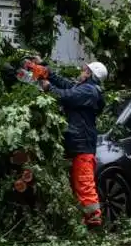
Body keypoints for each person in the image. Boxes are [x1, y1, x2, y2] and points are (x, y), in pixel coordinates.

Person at [38, 61, 109, 227]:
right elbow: (66, 85)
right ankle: (87, 220)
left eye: (85, 70)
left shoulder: (89, 91)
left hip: (83, 144)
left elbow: (66, 96)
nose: (81, 71)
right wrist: (47, 70)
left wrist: (49, 88)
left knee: (84, 182)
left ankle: (93, 219)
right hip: (78, 142)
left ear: (90, 74)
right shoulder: (83, 87)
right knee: (78, 183)